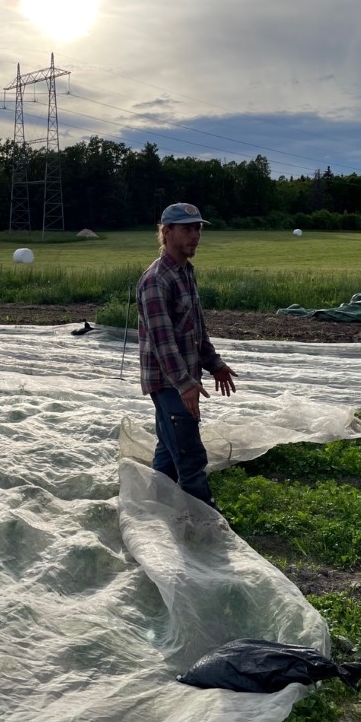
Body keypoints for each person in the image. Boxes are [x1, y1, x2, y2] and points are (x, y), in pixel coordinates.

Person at [136, 202, 237, 509]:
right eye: (186, 229)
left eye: (197, 229)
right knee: (190, 454)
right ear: (166, 232)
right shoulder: (157, 280)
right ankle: (203, 520)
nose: (195, 235)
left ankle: (158, 508)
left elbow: (194, 327)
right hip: (169, 382)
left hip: (182, 380)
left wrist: (214, 363)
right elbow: (163, 341)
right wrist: (186, 384)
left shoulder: (184, 272)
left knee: (169, 448)